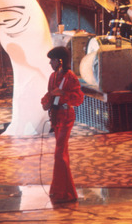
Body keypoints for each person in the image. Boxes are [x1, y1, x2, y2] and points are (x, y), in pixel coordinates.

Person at [40, 46, 84, 204]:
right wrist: (50, 96)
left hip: (66, 117)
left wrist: (64, 94)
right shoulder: (52, 76)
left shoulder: (70, 77)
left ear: (59, 61)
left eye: (51, 60)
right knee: (61, 153)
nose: (50, 63)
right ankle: (60, 190)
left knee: (60, 153)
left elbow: (79, 98)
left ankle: (66, 192)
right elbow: (48, 97)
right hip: (56, 116)